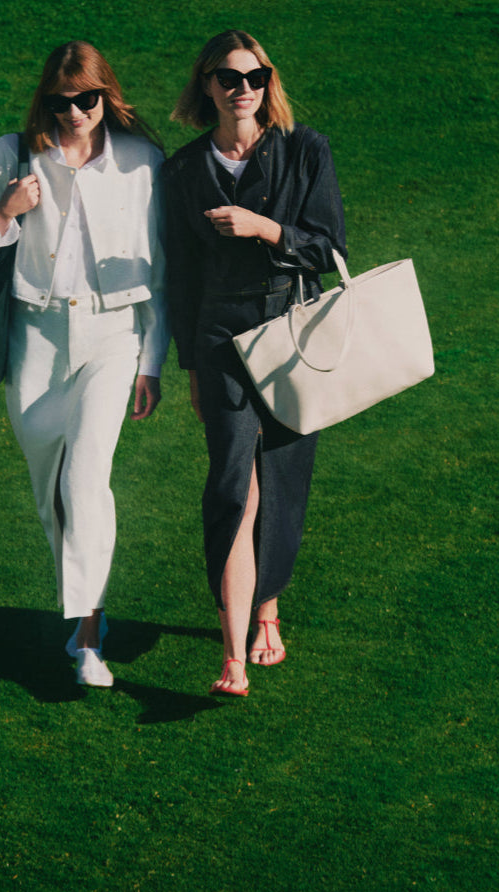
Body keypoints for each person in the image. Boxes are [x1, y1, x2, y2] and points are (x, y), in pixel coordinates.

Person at [0, 41, 169, 688]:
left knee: (85, 483)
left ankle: (86, 637)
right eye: (61, 101)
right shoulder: (10, 155)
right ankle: (85, 613)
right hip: (37, 342)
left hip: (113, 339)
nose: (75, 111)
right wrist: (4, 213)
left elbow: (161, 270)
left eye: (87, 99)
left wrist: (151, 361)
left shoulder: (142, 163)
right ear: (45, 100)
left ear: (107, 96)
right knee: (52, 497)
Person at [163, 30, 346, 696]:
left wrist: (264, 228)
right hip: (218, 339)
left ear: (269, 83)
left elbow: (328, 249)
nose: (244, 89)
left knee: (283, 477)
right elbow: (179, 276)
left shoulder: (304, 151)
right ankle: (233, 655)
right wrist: (187, 366)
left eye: (256, 76)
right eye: (228, 78)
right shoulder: (182, 171)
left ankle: (269, 606)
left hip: (292, 329)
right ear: (206, 85)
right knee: (233, 486)